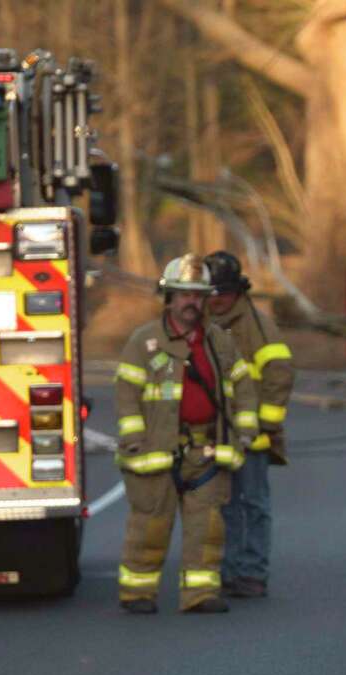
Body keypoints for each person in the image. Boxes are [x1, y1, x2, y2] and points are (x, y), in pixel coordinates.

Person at [115, 254, 259, 614]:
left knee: (207, 529)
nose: (191, 302)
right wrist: (135, 439)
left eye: (197, 295)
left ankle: (200, 594)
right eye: (183, 294)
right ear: (169, 298)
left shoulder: (218, 342)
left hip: (206, 451)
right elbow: (127, 393)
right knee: (149, 527)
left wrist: (245, 430)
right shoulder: (144, 341)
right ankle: (138, 593)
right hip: (155, 451)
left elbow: (243, 385)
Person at [205, 251, 295, 599]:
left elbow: (280, 373)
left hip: (252, 438)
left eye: (223, 293)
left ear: (238, 292)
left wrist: (265, 424)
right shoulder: (205, 324)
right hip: (216, 435)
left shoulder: (257, 327)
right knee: (223, 508)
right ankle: (229, 572)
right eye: (211, 293)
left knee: (253, 505)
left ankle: (253, 573)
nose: (216, 299)